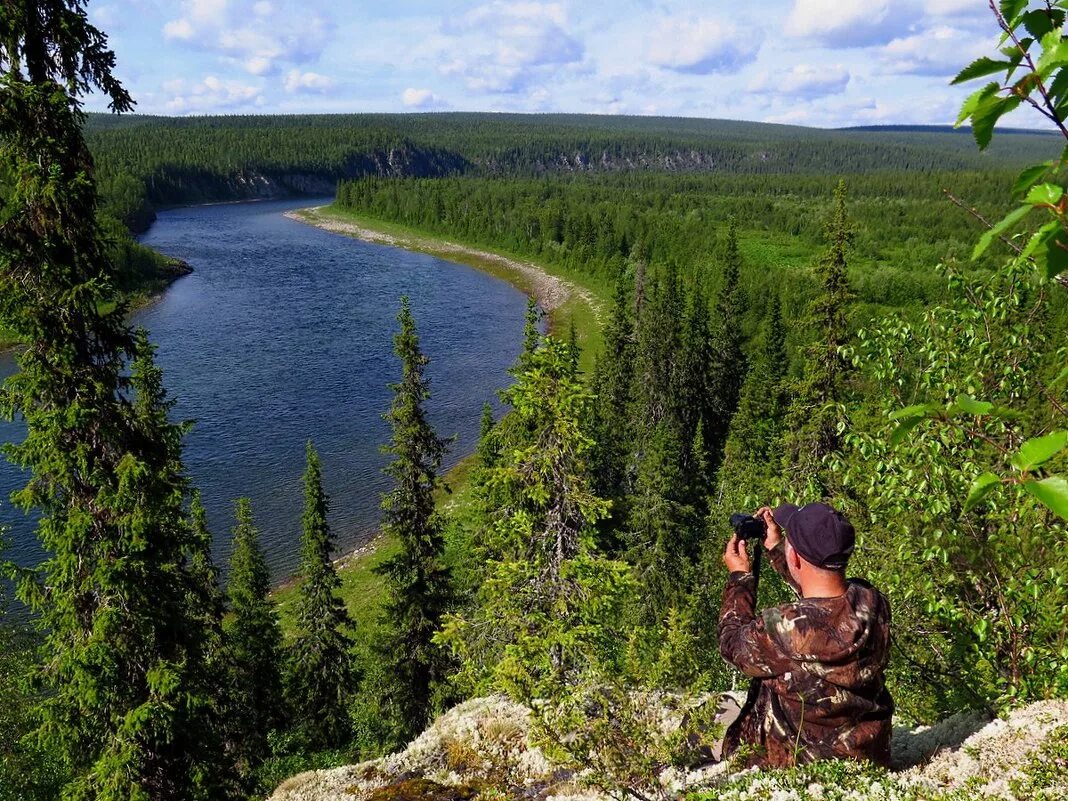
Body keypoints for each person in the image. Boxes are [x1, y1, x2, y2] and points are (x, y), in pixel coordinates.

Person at [717, 502, 893, 768]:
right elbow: (824, 603)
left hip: (799, 760)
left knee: (713, 715)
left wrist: (740, 578)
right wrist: (778, 550)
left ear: (796, 557)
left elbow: (731, 643)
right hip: (867, 754)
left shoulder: (782, 626)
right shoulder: (873, 602)